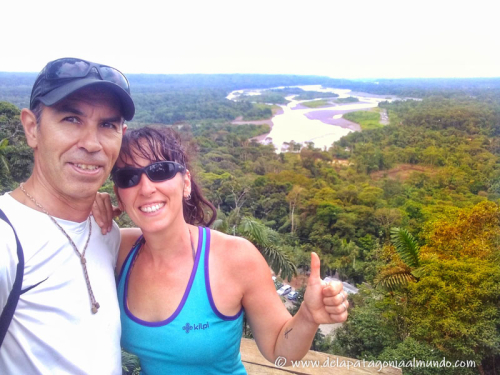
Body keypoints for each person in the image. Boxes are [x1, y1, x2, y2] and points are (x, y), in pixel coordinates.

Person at [95, 126, 349, 374]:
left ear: (185, 184)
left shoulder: (235, 257)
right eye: (128, 177)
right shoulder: (117, 248)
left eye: (160, 171)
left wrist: (307, 317)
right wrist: (86, 205)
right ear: (119, 194)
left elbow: (277, 350)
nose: (146, 188)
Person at [0, 57, 135, 374]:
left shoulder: (106, 232)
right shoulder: (7, 239)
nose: (91, 144)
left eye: (107, 125)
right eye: (72, 119)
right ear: (33, 128)